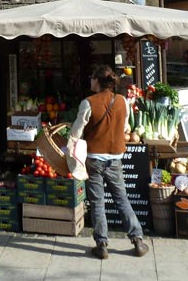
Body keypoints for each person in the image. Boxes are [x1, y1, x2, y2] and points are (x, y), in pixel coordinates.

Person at [70, 65, 149, 260]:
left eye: (92, 77)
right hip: (115, 159)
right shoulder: (123, 101)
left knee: (97, 202)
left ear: (97, 81)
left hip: (94, 159)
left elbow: (76, 133)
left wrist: (69, 152)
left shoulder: (88, 103)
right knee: (122, 199)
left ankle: (102, 245)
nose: (90, 80)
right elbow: (125, 127)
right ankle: (138, 241)